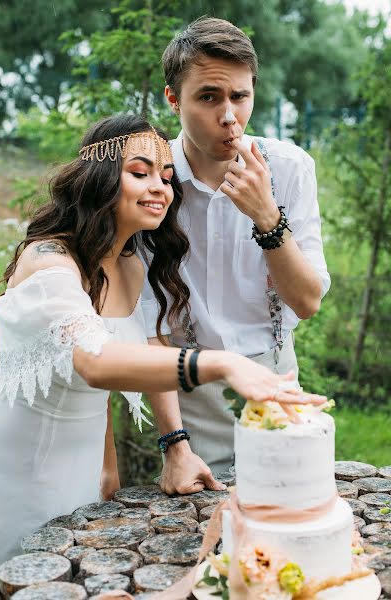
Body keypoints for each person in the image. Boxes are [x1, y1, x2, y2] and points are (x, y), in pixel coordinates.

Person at [0, 114, 325, 588]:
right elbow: (94, 361)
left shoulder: (130, 263)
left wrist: (133, 459)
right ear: (100, 177)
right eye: (140, 172)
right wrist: (220, 363)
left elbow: (145, 345)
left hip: (81, 476)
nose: (160, 189)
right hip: (13, 472)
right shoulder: (49, 260)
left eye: (167, 178)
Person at [141, 17, 331, 491]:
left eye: (240, 97)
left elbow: (307, 302)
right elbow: (150, 326)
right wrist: (175, 444)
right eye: (209, 97)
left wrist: (268, 217)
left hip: (275, 379)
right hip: (187, 392)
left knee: (289, 525)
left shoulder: (288, 169)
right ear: (173, 99)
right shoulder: (150, 182)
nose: (229, 116)